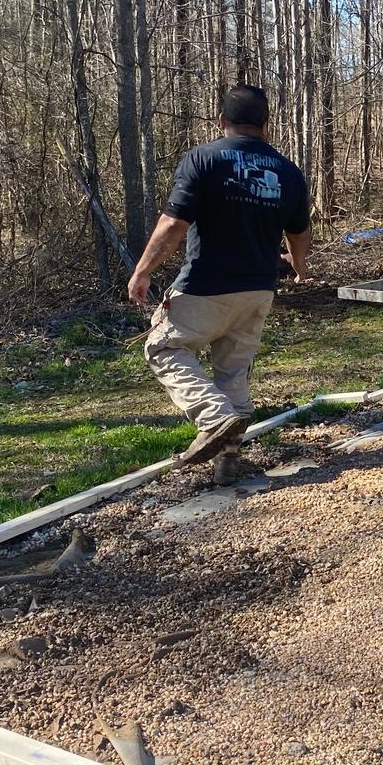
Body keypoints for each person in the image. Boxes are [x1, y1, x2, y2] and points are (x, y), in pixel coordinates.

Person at [127, 84, 311, 484]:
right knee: (234, 370)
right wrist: (298, 268)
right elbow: (298, 233)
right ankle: (228, 460)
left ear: (221, 121)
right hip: (259, 288)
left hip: (206, 285)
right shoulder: (288, 171)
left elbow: (174, 224)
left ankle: (214, 418)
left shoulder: (203, 159)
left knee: (163, 346)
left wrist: (143, 269)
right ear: (265, 124)